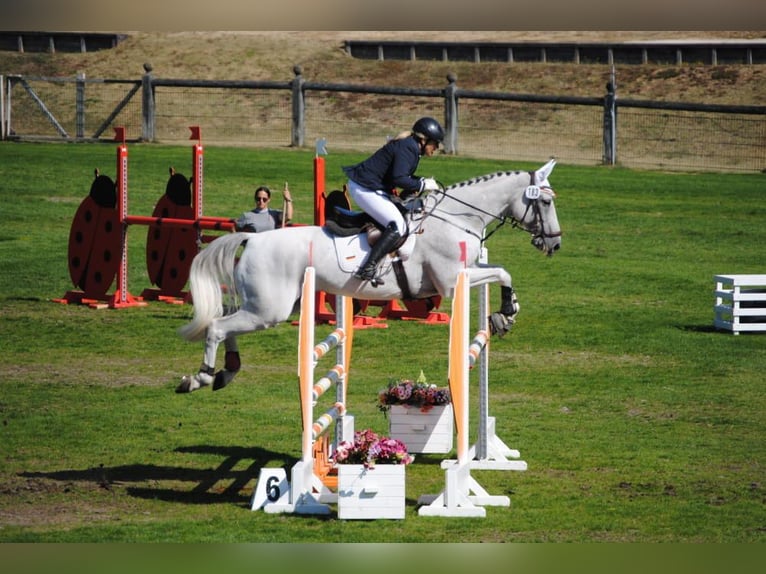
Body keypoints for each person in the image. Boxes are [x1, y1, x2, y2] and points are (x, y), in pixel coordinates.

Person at [342, 116, 444, 285]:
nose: (437, 147)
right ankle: (367, 267)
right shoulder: (409, 148)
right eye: (435, 143)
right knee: (397, 225)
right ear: (424, 140)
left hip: (372, 187)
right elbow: (399, 178)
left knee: (404, 216)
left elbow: (401, 176)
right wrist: (422, 184)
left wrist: (420, 183)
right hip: (364, 188)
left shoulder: (412, 148)